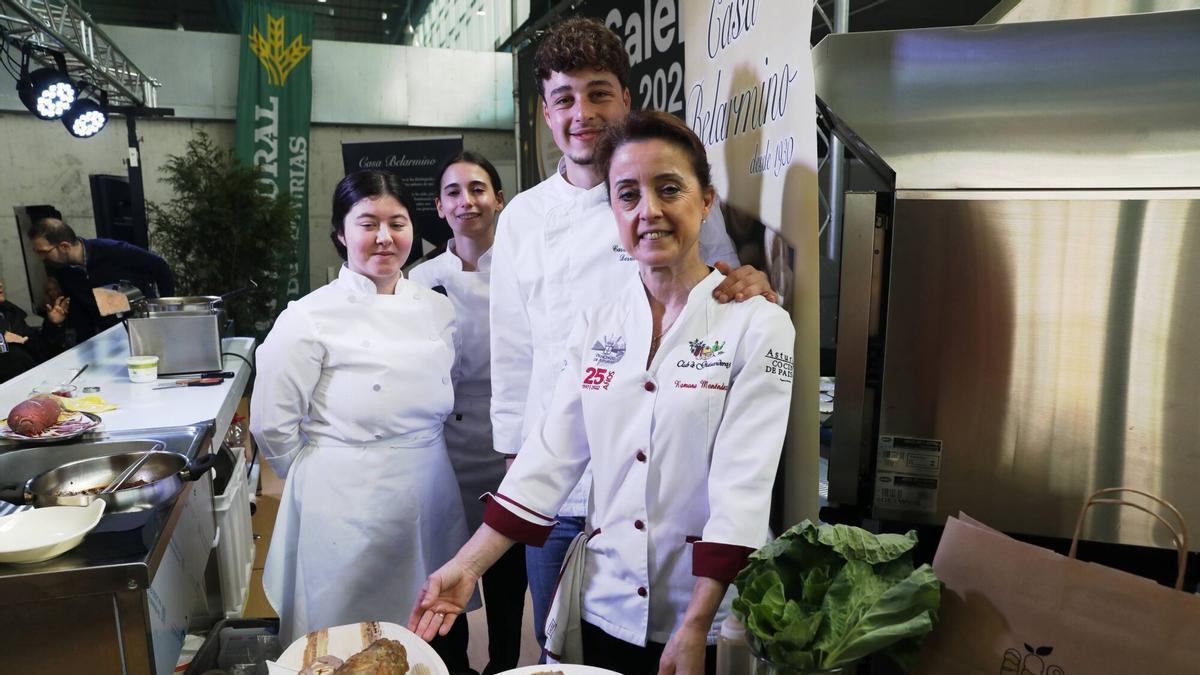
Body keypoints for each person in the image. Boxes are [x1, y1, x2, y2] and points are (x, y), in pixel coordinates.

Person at [412, 111, 795, 675]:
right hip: (606, 605)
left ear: (706, 200)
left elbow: (744, 486)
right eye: (627, 195)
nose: (649, 211)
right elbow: (553, 455)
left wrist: (695, 626)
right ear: (613, 209)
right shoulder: (600, 320)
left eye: (669, 189)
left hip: (708, 619)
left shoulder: (755, 325)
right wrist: (467, 566)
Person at [488, 16, 778, 657]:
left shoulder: (670, 197)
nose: (582, 113)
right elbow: (511, 354)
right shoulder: (522, 219)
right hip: (556, 476)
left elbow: (718, 282)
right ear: (545, 111)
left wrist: (750, 280)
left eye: (598, 93)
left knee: (657, 642)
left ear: (626, 99)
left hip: (660, 469)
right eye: (564, 97)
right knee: (559, 645)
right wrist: (518, 463)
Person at [249, 170, 474, 671]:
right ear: (340, 233)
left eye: (397, 222)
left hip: (428, 484)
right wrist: (327, 466)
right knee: (343, 632)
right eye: (367, 222)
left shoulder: (438, 310)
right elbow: (272, 425)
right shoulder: (308, 316)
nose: (384, 237)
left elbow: (447, 384)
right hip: (345, 499)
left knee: (431, 622)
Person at [408, 151, 526, 675]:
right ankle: (451, 667)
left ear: (499, 199)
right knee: (447, 564)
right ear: (439, 205)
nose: (467, 200)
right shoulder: (420, 278)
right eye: (453, 191)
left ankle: (503, 663)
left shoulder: (527, 268)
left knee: (507, 569)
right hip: (445, 448)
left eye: (478, 189)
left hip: (515, 443)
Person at [27, 217, 175, 340]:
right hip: (110, 337)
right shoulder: (63, 271)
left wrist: (166, 311)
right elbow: (80, 316)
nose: (41, 258)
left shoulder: (112, 250)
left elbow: (159, 266)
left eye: (44, 252)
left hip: (144, 328)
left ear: (64, 246)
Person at [0, 278, 69, 382]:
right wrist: (2, 340)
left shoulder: (9, 313)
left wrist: (53, 325)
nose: (0, 284)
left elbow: (41, 349)